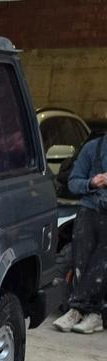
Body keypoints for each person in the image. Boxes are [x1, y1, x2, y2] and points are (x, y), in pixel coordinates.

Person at [53, 132, 107, 334]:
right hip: (89, 209)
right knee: (81, 260)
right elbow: (73, 182)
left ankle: (80, 310)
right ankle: (90, 314)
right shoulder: (93, 148)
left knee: (101, 263)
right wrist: (92, 182)